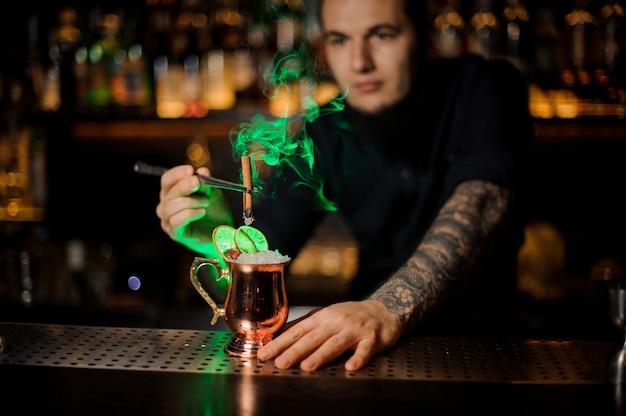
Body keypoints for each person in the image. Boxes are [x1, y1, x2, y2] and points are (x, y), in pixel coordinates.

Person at [156, 0, 534, 372]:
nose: (359, 62)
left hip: (483, 354)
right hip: (366, 358)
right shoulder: (324, 133)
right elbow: (263, 264)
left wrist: (386, 309)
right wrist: (222, 243)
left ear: (422, 35)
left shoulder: (487, 88)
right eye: (340, 40)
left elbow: (482, 203)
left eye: (381, 35)